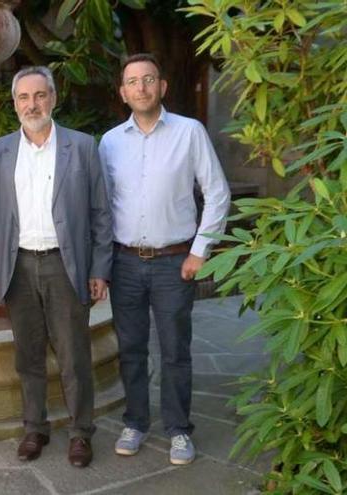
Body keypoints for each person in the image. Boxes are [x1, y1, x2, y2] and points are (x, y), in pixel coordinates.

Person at [98, 53, 230, 465]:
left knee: (175, 350)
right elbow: (102, 206)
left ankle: (177, 429)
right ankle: (136, 422)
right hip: (125, 263)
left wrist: (199, 251)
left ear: (162, 86)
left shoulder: (189, 133)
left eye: (149, 79)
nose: (141, 88)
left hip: (175, 262)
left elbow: (217, 193)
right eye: (133, 82)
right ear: (123, 92)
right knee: (132, 348)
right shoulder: (109, 141)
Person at [0, 66, 113, 468]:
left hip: (65, 266)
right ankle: (34, 428)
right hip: (18, 267)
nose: (32, 104)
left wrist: (99, 268)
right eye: (24, 97)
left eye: (39, 95)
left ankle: (80, 433)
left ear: (53, 99)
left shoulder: (83, 146)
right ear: (15, 102)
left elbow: (100, 213)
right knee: (29, 356)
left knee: (74, 356)